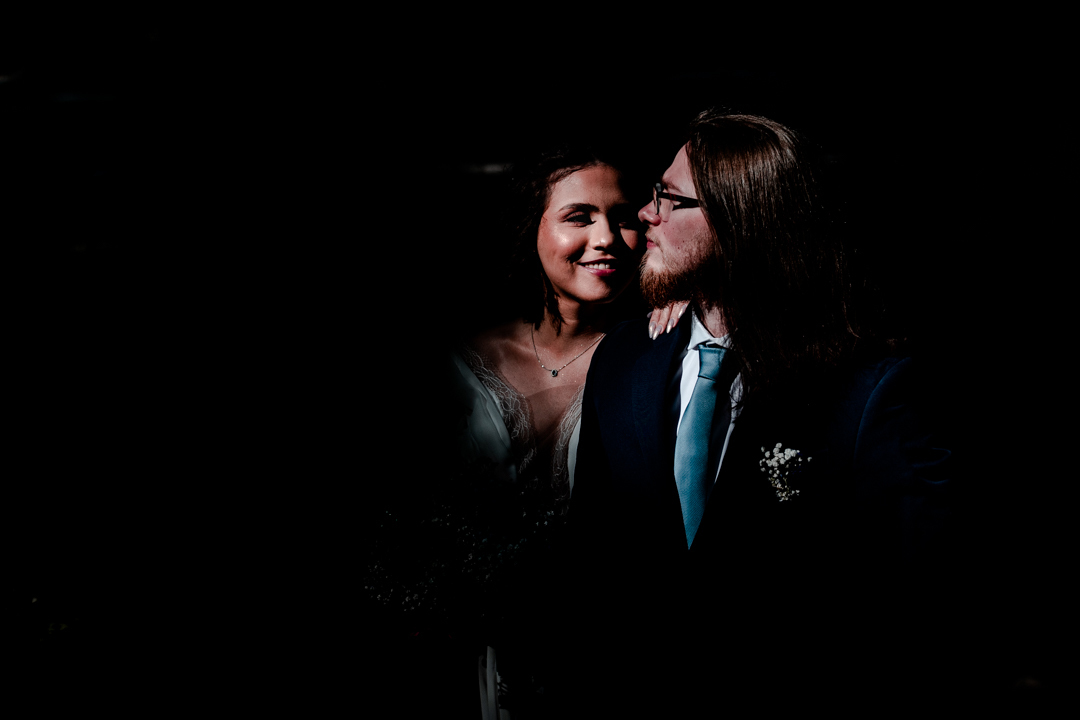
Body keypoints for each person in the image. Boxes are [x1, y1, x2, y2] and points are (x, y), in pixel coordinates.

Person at [562, 111, 953, 714]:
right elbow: (592, 560)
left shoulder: (869, 388)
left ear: (740, 221)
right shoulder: (625, 358)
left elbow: (916, 605)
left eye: (670, 198)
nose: (645, 213)